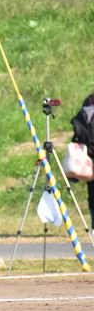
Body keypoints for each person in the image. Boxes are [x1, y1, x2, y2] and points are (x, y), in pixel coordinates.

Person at [70, 86, 94, 234]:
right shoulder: (88, 103)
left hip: (90, 151)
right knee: (92, 191)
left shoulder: (88, 102)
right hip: (90, 153)